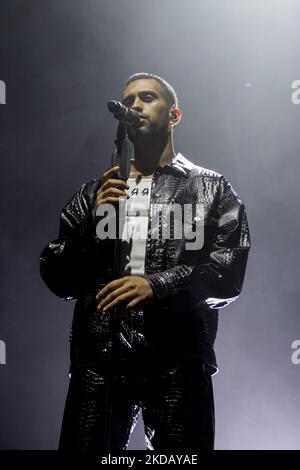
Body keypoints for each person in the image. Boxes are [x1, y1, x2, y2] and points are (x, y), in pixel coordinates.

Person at [40, 72, 251, 451]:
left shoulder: (212, 189)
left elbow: (227, 273)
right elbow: (58, 278)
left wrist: (157, 284)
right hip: (100, 361)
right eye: (129, 100)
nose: (135, 105)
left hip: (178, 359)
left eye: (147, 97)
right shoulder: (95, 192)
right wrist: (95, 221)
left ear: (174, 115)